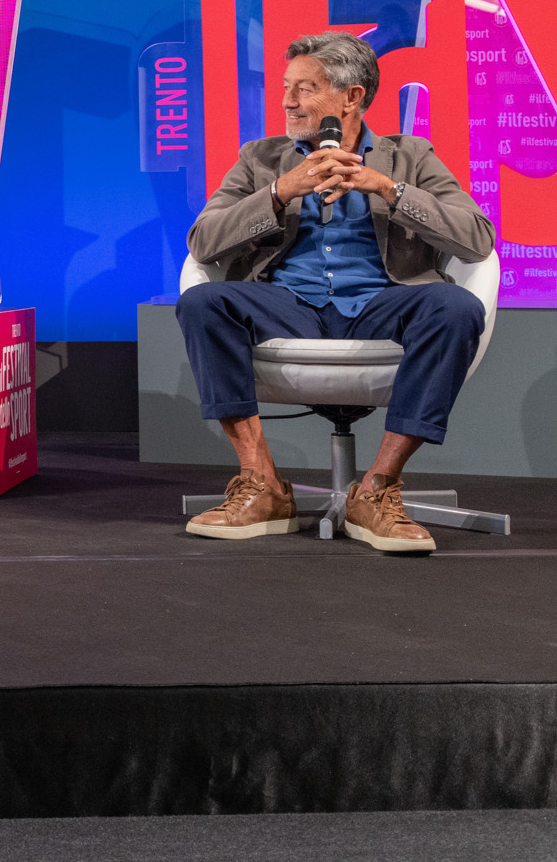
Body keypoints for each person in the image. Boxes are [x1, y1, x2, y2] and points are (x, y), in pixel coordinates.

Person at [178, 31, 493, 553]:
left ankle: (379, 487)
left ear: (352, 97)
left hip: (382, 302)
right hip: (288, 306)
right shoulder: (260, 158)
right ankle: (262, 485)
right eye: (286, 87)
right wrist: (281, 192)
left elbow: (476, 237)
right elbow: (203, 242)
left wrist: (386, 189)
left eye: (305, 88)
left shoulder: (410, 156)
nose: (287, 101)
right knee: (203, 302)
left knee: (456, 305)